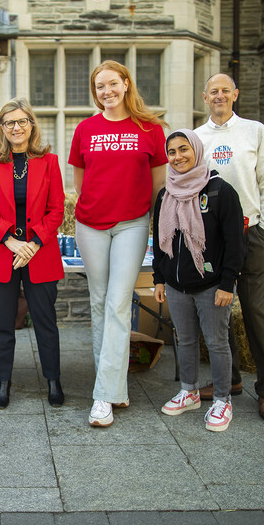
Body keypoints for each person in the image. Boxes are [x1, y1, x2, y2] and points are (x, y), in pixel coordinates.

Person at [68, 60, 167, 427]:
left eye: (112, 84)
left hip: (132, 224)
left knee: (117, 303)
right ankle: (113, 388)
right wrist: (98, 207)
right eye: (99, 87)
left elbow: (158, 186)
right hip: (90, 225)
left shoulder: (150, 130)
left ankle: (103, 397)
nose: (106, 92)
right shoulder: (85, 129)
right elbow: (81, 182)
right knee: (98, 302)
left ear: (126, 84)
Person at [196, 73, 264, 421]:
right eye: (213, 91)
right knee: (219, 311)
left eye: (224, 90)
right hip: (212, 238)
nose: (219, 95)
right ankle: (228, 380)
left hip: (250, 230)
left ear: (235, 94)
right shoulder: (197, 138)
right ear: (205, 97)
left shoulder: (255, 131)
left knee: (253, 310)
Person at [153, 129, 244, 432]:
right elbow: (160, 240)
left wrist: (227, 284)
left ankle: (222, 400)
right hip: (176, 285)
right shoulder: (166, 193)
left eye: (183, 149)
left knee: (217, 343)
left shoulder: (220, 191)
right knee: (185, 339)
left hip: (211, 285)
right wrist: (159, 279)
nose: (178, 157)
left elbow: (234, 242)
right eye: (172, 152)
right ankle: (188, 391)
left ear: (196, 150)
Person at [0, 98, 65, 409]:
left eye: (22, 121)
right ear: (2, 128)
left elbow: (56, 210)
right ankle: (3, 381)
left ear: (31, 125)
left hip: (39, 252)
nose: (16, 127)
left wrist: (33, 244)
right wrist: (12, 242)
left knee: (45, 320)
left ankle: (53, 379)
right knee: (2, 322)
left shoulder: (49, 162)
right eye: (9, 122)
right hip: (3, 252)